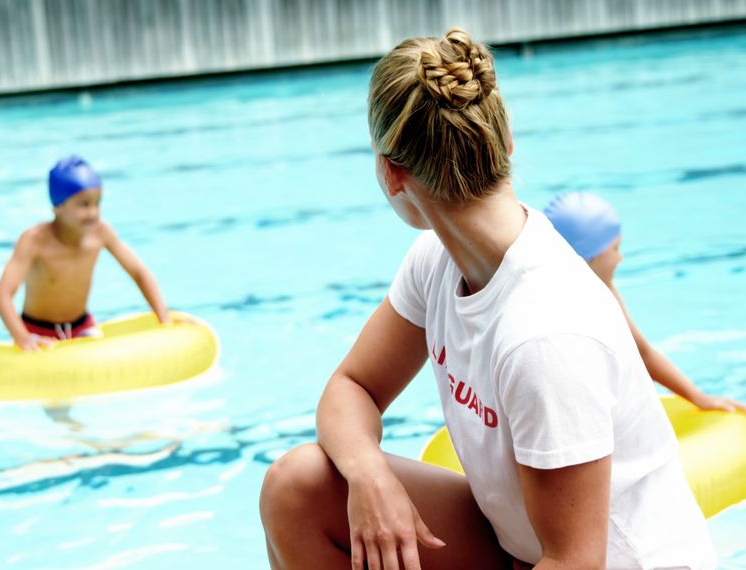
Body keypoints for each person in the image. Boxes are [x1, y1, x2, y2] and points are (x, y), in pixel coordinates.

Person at [259, 28, 715, 569]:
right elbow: (352, 387)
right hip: (518, 545)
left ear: (390, 173)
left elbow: (574, 561)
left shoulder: (544, 333)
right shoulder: (435, 261)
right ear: (507, 142)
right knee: (297, 489)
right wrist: (368, 475)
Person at [545, 191, 746, 415]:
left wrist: (698, 397)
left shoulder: (603, 288)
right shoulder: (556, 314)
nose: (620, 257)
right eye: (615, 248)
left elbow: (642, 352)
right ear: (590, 258)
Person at [0, 155, 171, 352]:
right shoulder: (35, 240)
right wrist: (23, 337)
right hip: (37, 330)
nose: (93, 212)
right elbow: (3, 296)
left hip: (82, 328)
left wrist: (164, 319)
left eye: (97, 203)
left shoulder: (101, 232)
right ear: (58, 206)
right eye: (84, 204)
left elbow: (139, 273)